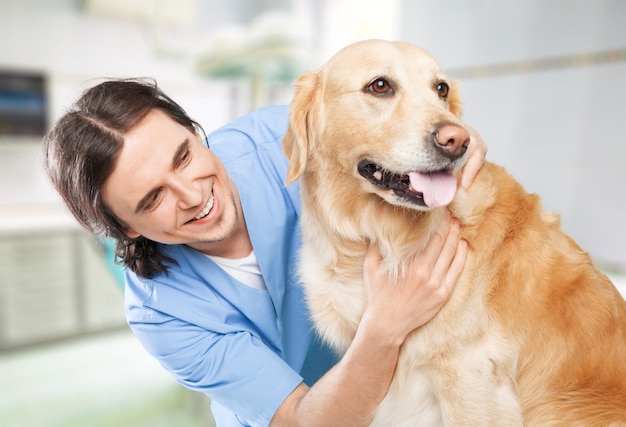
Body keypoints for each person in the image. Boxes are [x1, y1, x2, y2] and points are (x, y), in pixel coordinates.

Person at [43, 78, 487, 427]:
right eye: (152, 198)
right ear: (125, 229)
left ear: (195, 132)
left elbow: (407, 135)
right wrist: (386, 327)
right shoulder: (164, 316)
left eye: (183, 157)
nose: (193, 196)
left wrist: (441, 140)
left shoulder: (290, 139)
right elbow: (299, 419)